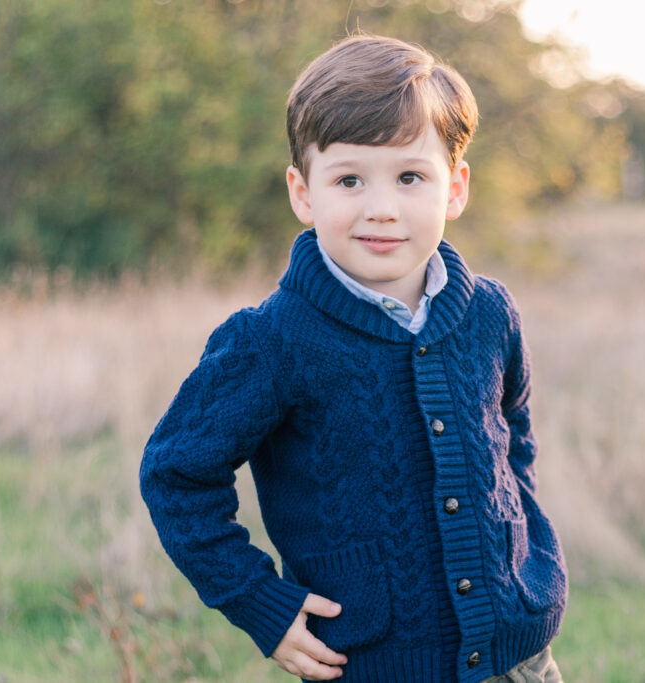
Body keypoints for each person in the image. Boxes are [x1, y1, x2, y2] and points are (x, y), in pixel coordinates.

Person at [140, 33, 567, 683]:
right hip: (373, 665)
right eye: (348, 179)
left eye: (409, 177)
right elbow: (176, 474)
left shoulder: (489, 314)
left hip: (519, 656)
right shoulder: (271, 340)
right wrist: (262, 603)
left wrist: (528, 551)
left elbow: (515, 439)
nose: (381, 208)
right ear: (303, 192)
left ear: (454, 188)